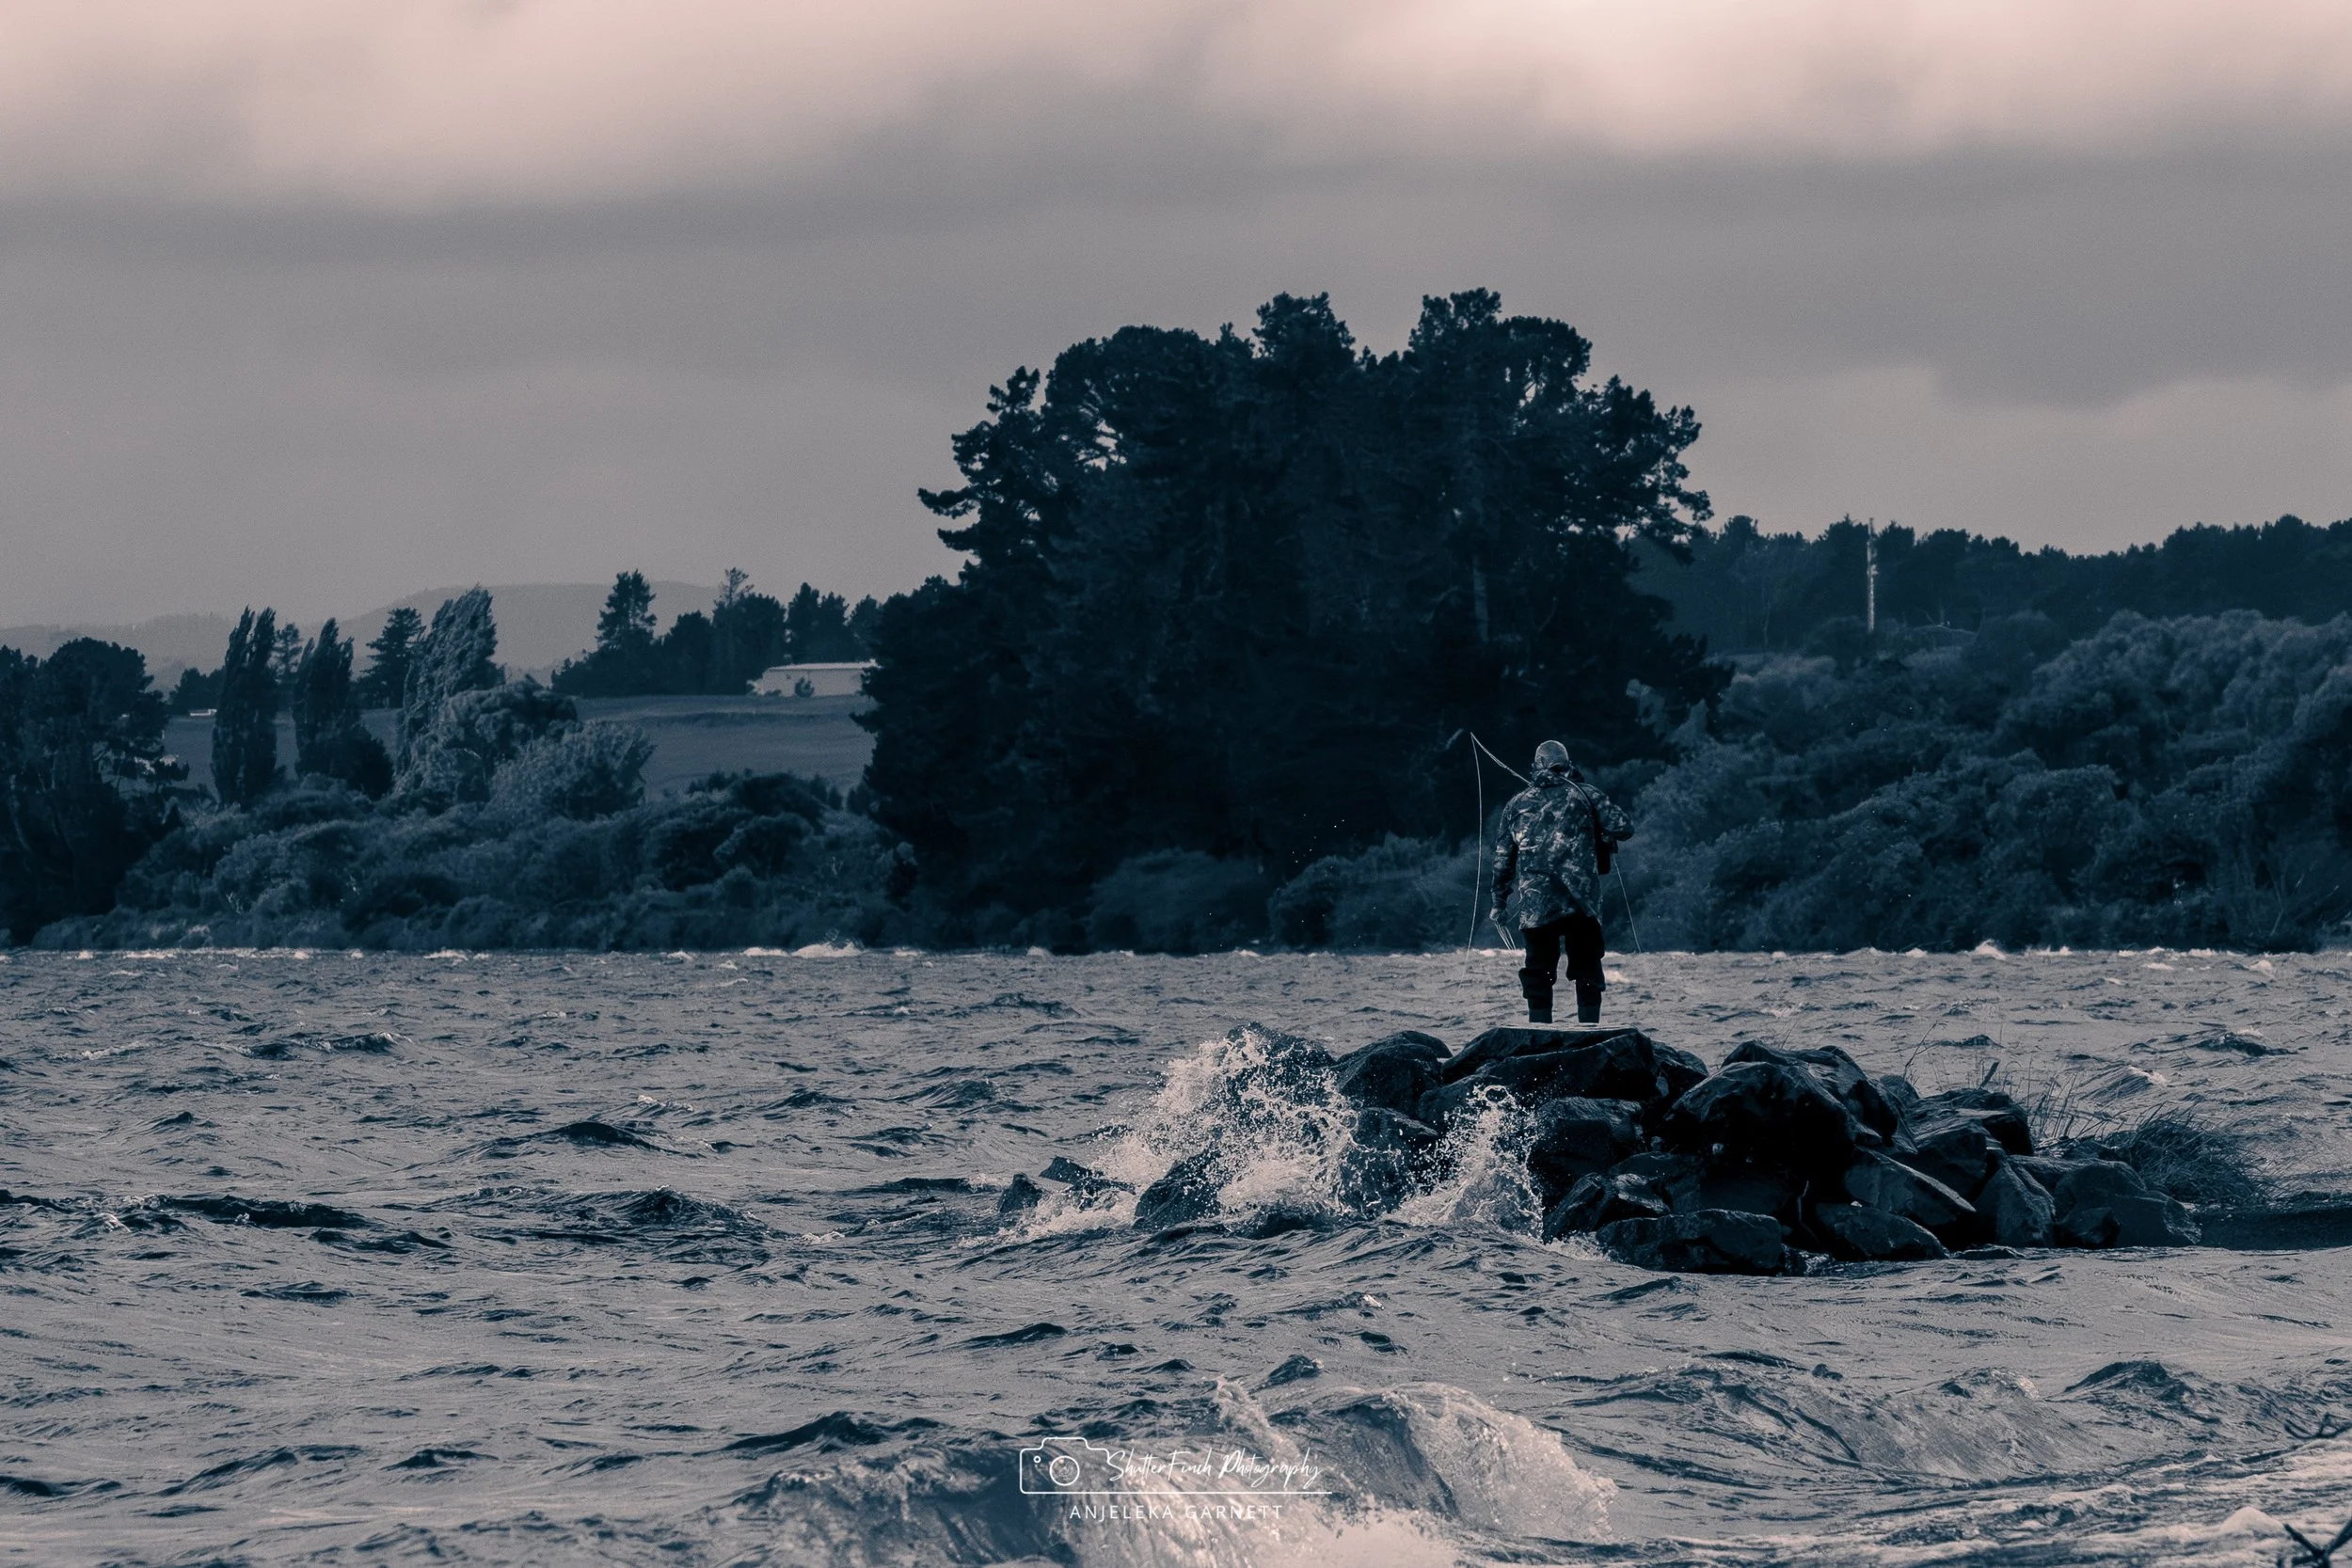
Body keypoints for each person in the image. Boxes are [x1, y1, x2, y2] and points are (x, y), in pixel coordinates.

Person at [1488, 740, 1633, 1024]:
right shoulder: (1586, 794)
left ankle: (1540, 1038)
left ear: (1536, 767)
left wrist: (1498, 904)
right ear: (1567, 765)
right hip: (1582, 903)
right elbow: (1623, 827)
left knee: (1538, 972)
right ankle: (1590, 1033)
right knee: (1588, 969)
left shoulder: (1516, 804)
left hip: (1536, 906)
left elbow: (1503, 859)